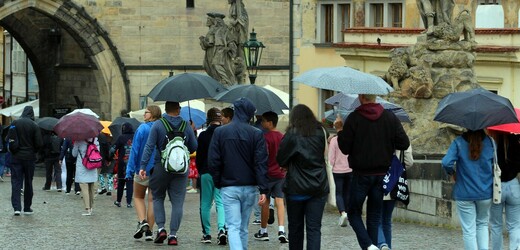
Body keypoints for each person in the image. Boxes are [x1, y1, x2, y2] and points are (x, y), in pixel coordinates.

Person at [336, 94, 410, 250]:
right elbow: (404, 142)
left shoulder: (354, 118)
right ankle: (371, 246)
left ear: (361, 97)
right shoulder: (390, 117)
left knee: (353, 212)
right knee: (374, 217)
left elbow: (344, 148)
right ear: (375, 97)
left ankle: (369, 245)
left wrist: (340, 130)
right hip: (381, 175)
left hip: (361, 174)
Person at [208, 97, 268, 250]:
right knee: (243, 227)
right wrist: (263, 188)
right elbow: (260, 163)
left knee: (233, 226)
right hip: (250, 186)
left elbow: (214, 160)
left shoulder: (220, 132)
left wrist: (218, 181)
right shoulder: (256, 133)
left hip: (229, 185)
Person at [139, 101, 197, 246]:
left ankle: (161, 229)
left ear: (165, 109)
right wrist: (192, 131)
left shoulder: (158, 124)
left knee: (158, 197)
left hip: (160, 167)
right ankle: (173, 235)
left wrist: (143, 166)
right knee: (177, 202)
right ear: (178, 109)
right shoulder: (185, 125)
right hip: (180, 170)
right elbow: (193, 147)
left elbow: (149, 146)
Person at [276, 104, 329, 250]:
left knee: (295, 228)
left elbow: (280, 158)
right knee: (314, 228)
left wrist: (288, 163)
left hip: (296, 187)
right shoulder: (321, 132)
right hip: (318, 186)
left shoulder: (292, 134)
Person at [442, 129, 493, 250]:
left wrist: (452, 173)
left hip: (464, 193)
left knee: (469, 231)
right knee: (482, 225)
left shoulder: (458, 142)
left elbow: (446, 162)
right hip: (485, 192)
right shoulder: (490, 142)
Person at [127, 105, 161, 241]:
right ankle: (149, 232)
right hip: (157, 170)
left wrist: (129, 169)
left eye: (146, 112)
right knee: (152, 200)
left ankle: (143, 222)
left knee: (138, 197)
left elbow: (135, 150)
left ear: (152, 114)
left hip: (142, 169)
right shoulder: (161, 128)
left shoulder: (143, 128)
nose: (144, 114)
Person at [254, 111, 288, 243]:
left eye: (263, 121)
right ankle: (281, 230)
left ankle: (264, 231)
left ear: (270, 122)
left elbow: (262, 157)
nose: (261, 123)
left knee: (265, 203)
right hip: (280, 174)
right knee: (280, 201)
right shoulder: (282, 137)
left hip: (267, 174)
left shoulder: (265, 138)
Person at [196, 107, 227, 245]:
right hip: (221, 172)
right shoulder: (225, 134)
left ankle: (207, 234)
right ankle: (221, 229)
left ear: (208, 119)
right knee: (220, 202)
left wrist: (200, 170)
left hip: (206, 171)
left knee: (205, 204)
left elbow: (199, 157)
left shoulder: (203, 135)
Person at [488, 131, 520, 250]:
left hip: (496, 187)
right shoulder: (514, 141)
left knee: (496, 225)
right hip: (513, 185)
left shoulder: (490, 143)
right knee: (515, 226)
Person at [9, 106, 43, 216]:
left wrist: (14, 150)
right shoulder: (34, 125)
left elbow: (9, 139)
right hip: (29, 157)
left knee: (16, 182)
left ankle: (16, 207)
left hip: (16, 157)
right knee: (28, 182)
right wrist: (34, 151)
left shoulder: (15, 123)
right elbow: (39, 143)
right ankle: (27, 207)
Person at [378, 146, 414, 250]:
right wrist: (396, 170)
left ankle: (382, 244)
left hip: (378, 181)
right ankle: (388, 246)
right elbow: (409, 161)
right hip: (393, 184)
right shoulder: (401, 136)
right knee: (386, 220)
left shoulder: (377, 132)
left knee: (376, 220)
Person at [328, 119, 352, 227]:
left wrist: (331, 165)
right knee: (347, 193)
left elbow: (331, 158)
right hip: (349, 169)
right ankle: (347, 214)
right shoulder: (350, 138)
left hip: (337, 171)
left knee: (339, 193)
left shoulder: (334, 140)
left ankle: (343, 212)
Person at [72, 137, 100, 216]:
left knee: (84, 188)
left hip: (82, 166)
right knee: (91, 187)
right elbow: (98, 152)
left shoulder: (78, 140)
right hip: (92, 165)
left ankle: (87, 208)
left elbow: (74, 154)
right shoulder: (95, 140)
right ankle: (91, 207)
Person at [111, 122, 135, 208]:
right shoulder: (134, 137)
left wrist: (109, 157)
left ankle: (118, 201)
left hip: (122, 163)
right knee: (130, 182)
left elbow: (113, 149)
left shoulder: (121, 137)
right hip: (132, 163)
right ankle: (129, 202)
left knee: (121, 182)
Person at [97, 131, 114, 196]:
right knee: (109, 173)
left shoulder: (96, 137)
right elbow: (107, 149)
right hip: (105, 157)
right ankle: (109, 188)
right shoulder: (105, 138)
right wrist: (108, 159)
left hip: (98, 158)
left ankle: (103, 187)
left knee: (101, 173)